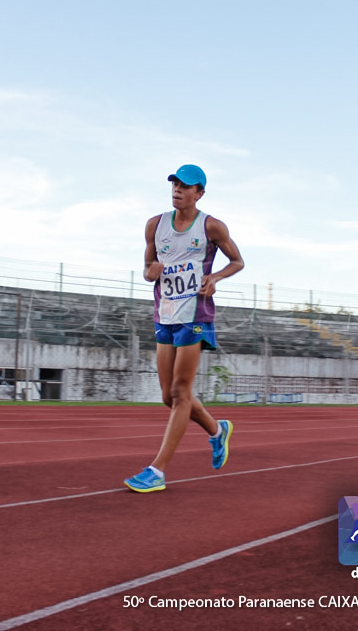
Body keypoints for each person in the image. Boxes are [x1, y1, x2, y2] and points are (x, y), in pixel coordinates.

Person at [124, 164, 245, 493]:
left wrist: (215, 278)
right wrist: (153, 271)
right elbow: (148, 269)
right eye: (175, 183)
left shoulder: (212, 227)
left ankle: (157, 470)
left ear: (199, 193)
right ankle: (217, 431)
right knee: (169, 396)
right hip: (164, 315)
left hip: (195, 315)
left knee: (180, 393)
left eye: (186, 186)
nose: (178, 189)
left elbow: (237, 261)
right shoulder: (155, 225)